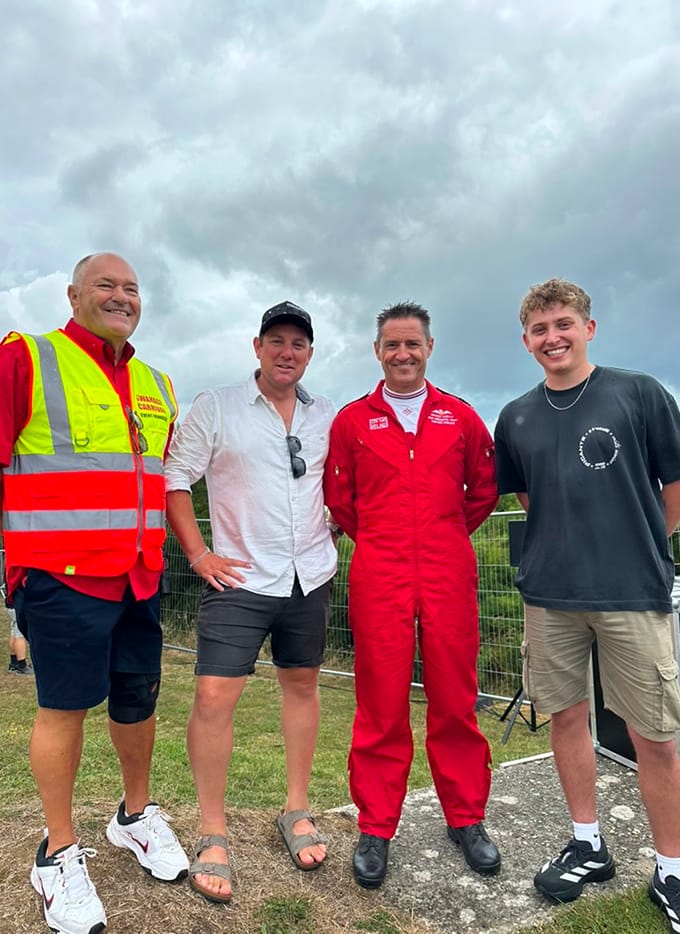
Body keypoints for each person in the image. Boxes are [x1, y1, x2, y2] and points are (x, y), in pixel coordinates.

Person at [0, 253, 189, 934]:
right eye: (106, 285)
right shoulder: (28, 359)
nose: (121, 296)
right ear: (74, 294)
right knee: (64, 710)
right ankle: (56, 854)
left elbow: (163, 479)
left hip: (138, 576)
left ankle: (133, 818)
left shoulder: (157, 383)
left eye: (132, 287)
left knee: (137, 702)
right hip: (59, 577)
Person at [494, 277, 680, 926]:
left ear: (588, 328)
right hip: (551, 597)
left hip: (632, 592)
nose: (554, 337)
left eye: (564, 324)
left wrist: (644, 546)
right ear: (526, 342)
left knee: (653, 735)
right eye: (541, 329)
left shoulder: (640, 393)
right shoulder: (515, 416)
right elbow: (529, 500)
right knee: (567, 721)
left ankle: (672, 869)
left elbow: (674, 488)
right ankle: (587, 843)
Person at [323, 301, 500, 889]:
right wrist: (384, 540)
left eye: (412, 344)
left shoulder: (461, 418)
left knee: (456, 695)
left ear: (429, 348)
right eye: (391, 345)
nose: (402, 354)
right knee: (381, 701)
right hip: (380, 570)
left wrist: (442, 537)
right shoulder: (352, 421)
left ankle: (467, 817)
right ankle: (376, 825)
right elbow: (341, 502)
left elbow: (482, 493)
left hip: (448, 570)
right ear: (377, 352)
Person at [164, 300, 337, 903]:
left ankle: (295, 808)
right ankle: (213, 830)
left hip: (307, 577)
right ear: (257, 347)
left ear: (310, 354)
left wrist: (335, 526)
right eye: (277, 341)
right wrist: (198, 554)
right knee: (214, 696)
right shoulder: (216, 406)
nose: (288, 352)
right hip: (238, 578)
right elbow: (175, 479)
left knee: (302, 685)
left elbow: (338, 485)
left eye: (299, 343)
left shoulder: (328, 415)